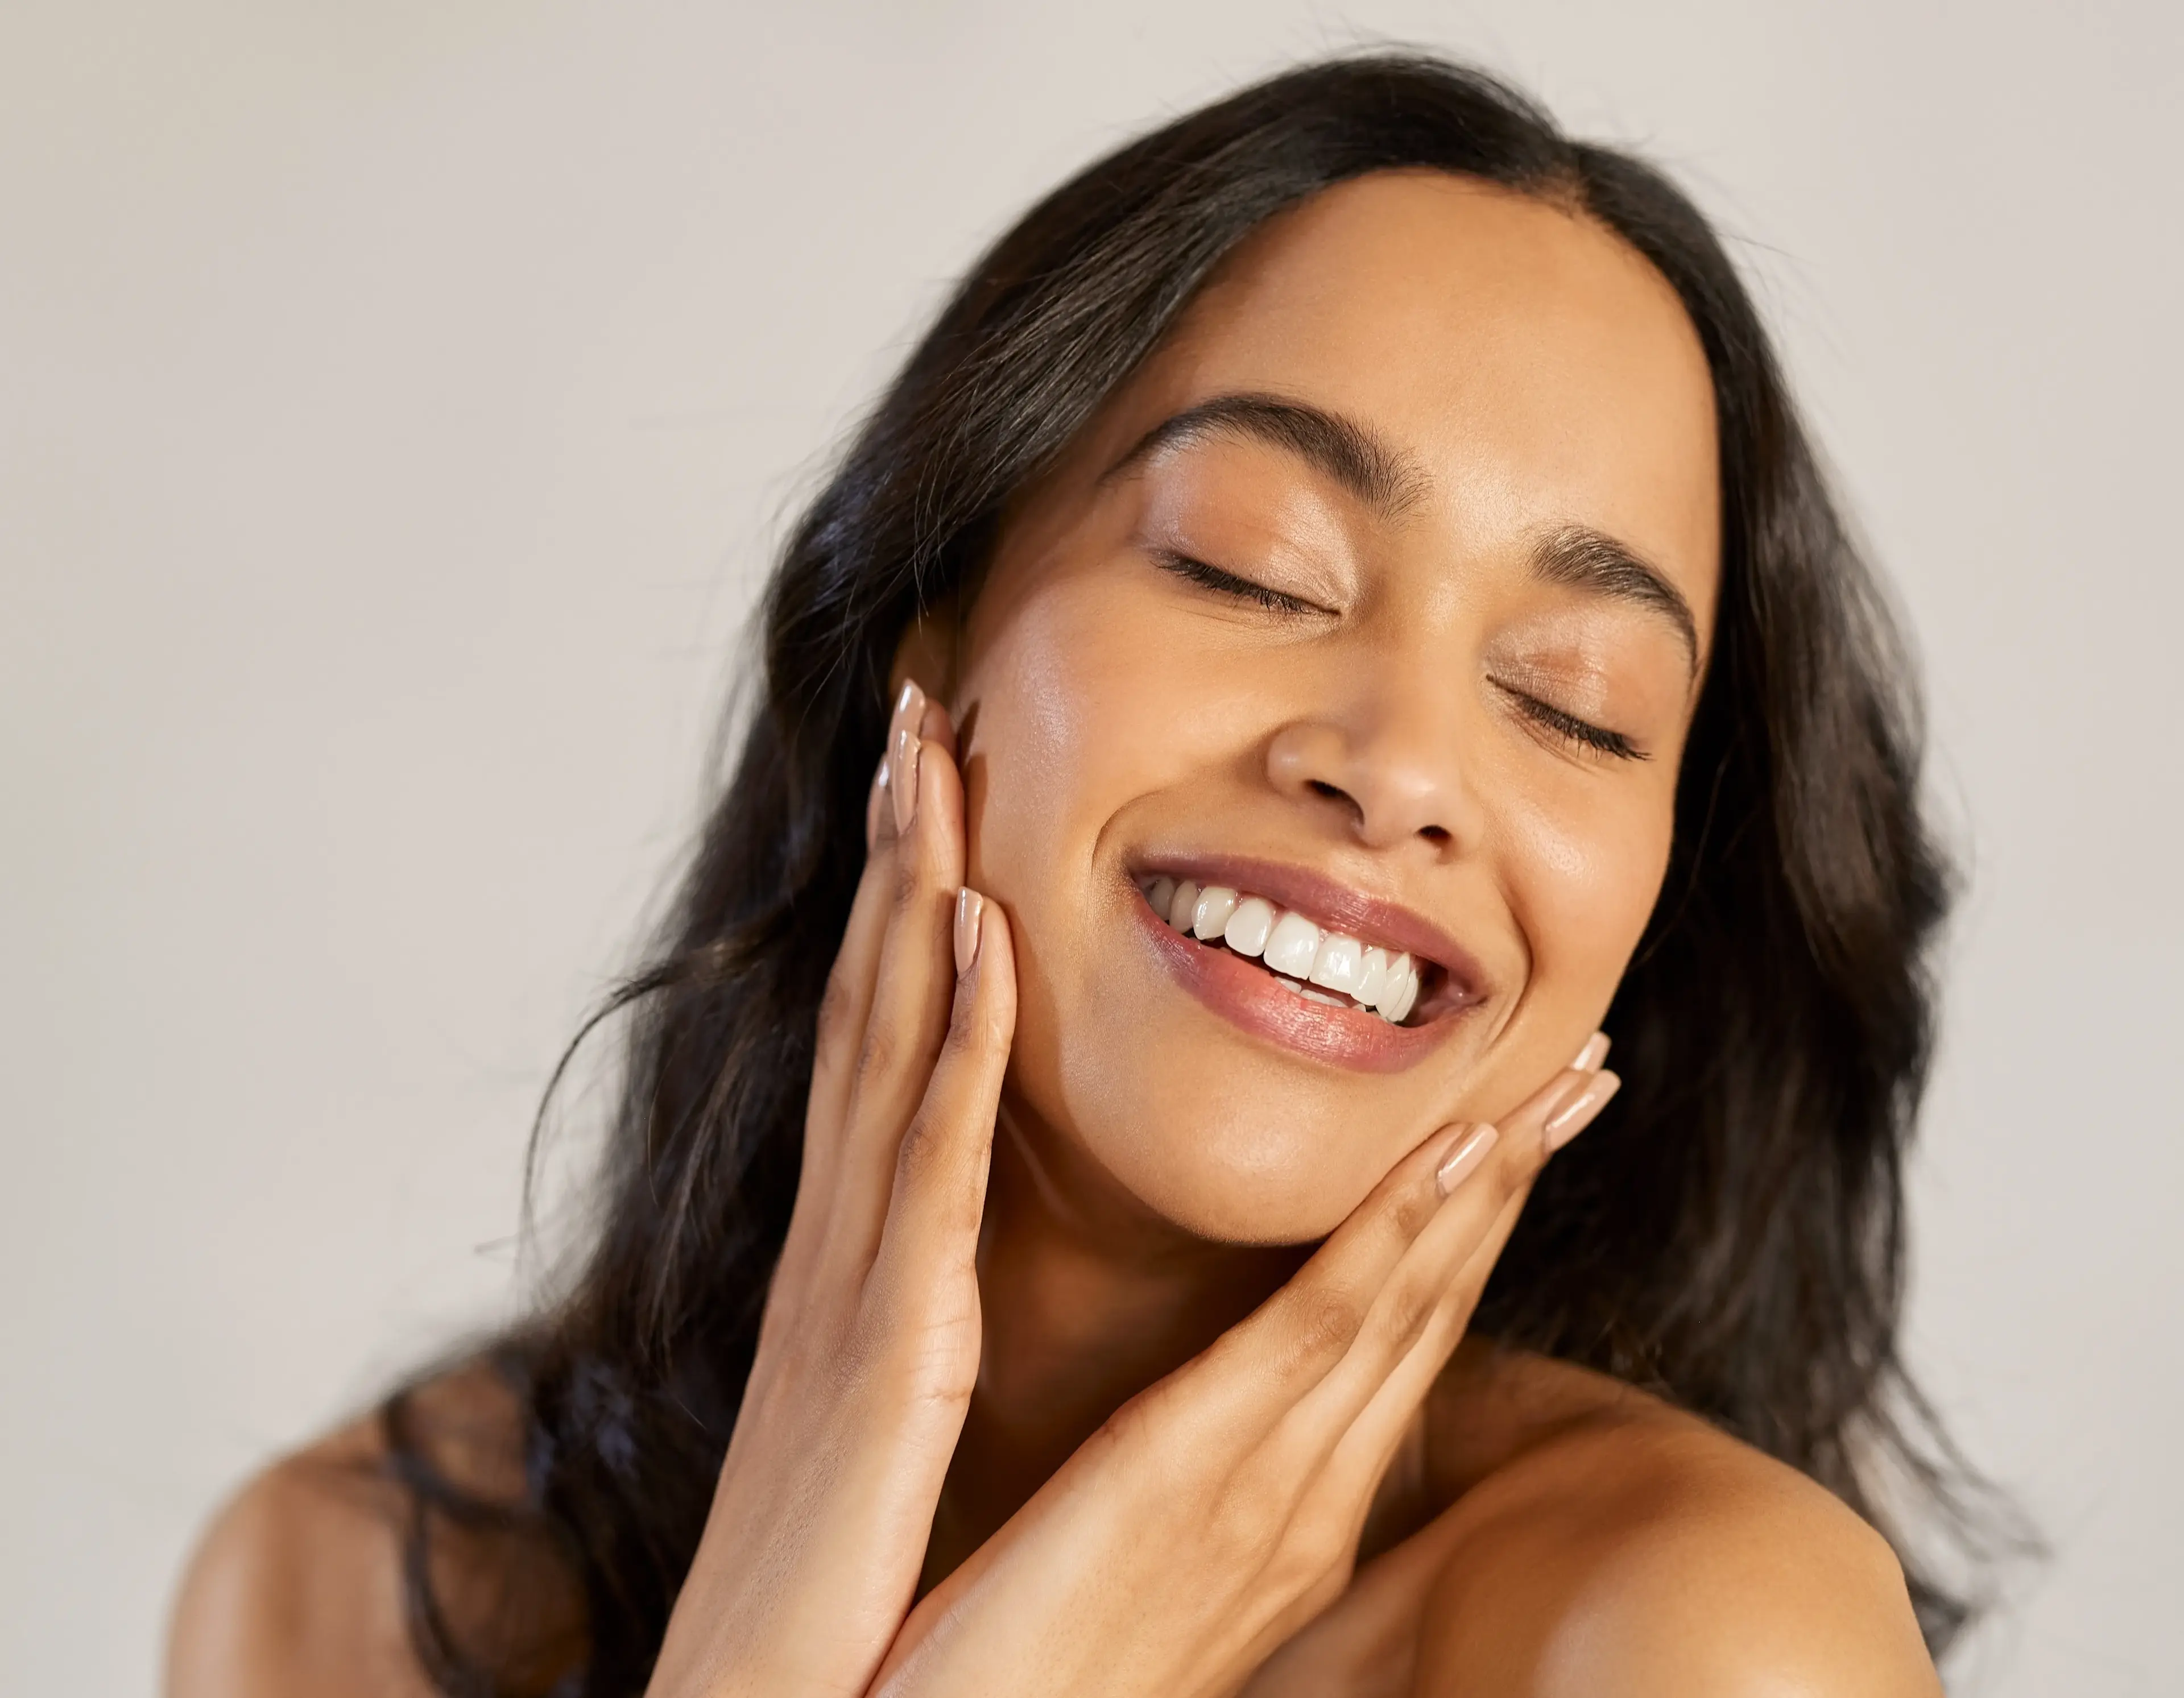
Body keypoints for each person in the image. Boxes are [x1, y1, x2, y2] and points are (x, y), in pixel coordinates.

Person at [167, 53, 1995, 1696]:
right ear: (929, 644)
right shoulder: (360, 1596)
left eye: (1575, 706)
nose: (1404, 770)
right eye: (1252, 568)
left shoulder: (1693, 1637)